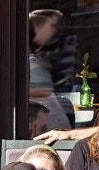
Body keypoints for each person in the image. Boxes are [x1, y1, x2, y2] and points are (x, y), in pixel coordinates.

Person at [28, 8, 70, 136]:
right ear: (36, 27)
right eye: (51, 25)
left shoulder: (40, 57)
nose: (55, 30)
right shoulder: (29, 60)